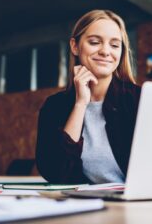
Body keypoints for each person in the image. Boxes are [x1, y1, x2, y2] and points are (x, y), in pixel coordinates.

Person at [36, 10, 141, 184]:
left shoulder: (139, 100)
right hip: (85, 205)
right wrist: (80, 103)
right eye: (94, 42)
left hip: (138, 205)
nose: (106, 51)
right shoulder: (55, 106)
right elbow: (56, 172)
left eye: (115, 45)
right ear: (75, 46)